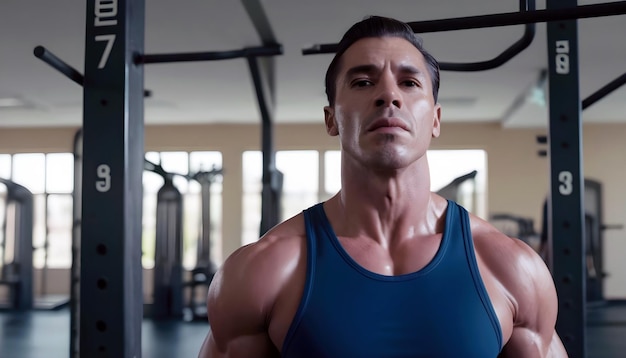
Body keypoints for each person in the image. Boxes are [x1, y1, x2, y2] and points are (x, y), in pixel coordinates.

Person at [199, 15, 568, 357]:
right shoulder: (263, 270)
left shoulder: (510, 268)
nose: (389, 95)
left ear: (435, 119)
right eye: (362, 82)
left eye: (409, 83)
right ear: (331, 119)